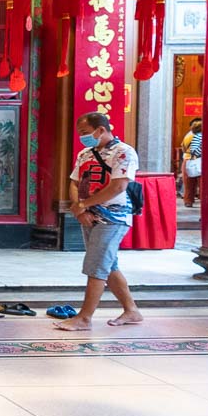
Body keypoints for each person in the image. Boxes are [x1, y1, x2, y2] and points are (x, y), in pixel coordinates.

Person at [58, 112, 144, 331]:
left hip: (113, 218)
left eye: (86, 133)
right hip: (88, 214)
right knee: (109, 264)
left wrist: (84, 205)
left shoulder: (124, 152)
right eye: (80, 134)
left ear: (101, 130)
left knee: (96, 265)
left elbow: (118, 186)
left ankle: (85, 318)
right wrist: (79, 208)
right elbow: (74, 182)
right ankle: (131, 310)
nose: (83, 138)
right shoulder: (85, 154)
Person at [180, 117, 203, 207]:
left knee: (188, 183)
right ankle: (203, 201)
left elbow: (184, 147)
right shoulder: (202, 136)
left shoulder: (188, 136)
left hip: (188, 159)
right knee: (202, 184)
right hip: (200, 161)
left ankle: (188, 200)